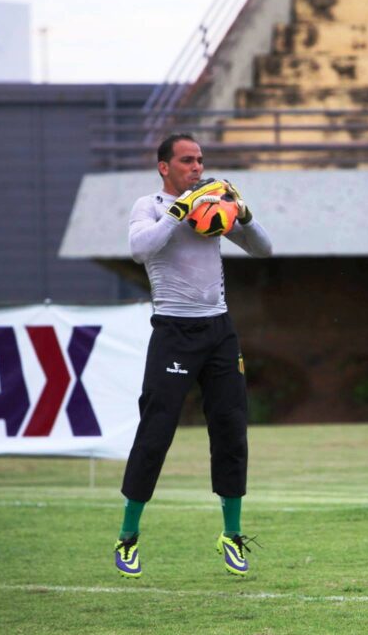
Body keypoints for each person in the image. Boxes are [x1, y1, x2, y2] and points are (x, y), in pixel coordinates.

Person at [113, 132, 272, 579]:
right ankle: (128, 537)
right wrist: (178, 212)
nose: (197, 168)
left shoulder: (213, 203)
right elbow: (140, 249)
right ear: (164, 166)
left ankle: (232, 535)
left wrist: (245, 215)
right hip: (173, 331)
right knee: (156, 431)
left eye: (200, 160)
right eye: (187, 161)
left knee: (231, 430)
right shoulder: (149, 206)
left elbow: (263, 248)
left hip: (219, 330)